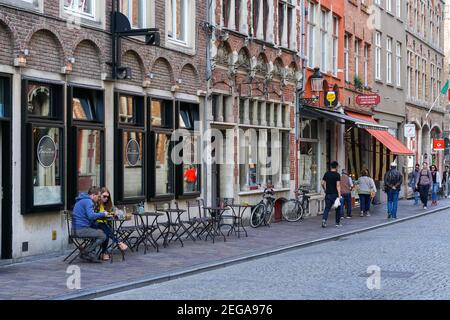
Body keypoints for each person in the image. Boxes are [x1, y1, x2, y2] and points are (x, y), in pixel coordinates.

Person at [72, 186, 107, 263]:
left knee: (98, 231)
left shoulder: (81, 200)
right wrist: (103, 214)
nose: (99, 198)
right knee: (103, 235)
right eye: (98, 196)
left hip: (75, 229)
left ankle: (90, 254)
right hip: (81, 230)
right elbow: (91, 216)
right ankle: (85, 252)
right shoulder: (88, 201)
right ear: (93, 195)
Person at [92, 187, 128, 261]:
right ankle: (118, 242)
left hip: (105, 227)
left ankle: (104, 253)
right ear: (99, 195)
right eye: (104, 196)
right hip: (94, 226)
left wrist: (117, 212)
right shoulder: (94, 204)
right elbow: (93, 216)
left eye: (107, 197)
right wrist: (102, 214)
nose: (106, 198)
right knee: (101, 225)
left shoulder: (108, 205)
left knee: (106, 233)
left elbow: (116, 210)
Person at [321, 161, 342, 228]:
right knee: (338, 209)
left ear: (331, 166)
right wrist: (339, 195)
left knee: (327, 208)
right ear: (336, 167)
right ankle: (337, 223)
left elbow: (322, 183)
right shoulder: (337, 175)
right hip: (335, 195)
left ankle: (324, 220)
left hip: (328, 194)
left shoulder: (326, 173)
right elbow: (338, 185)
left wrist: (325, 189)